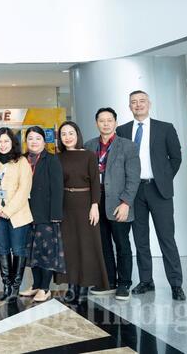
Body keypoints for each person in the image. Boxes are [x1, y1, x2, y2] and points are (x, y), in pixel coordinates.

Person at [117, 90, 185, 301]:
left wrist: (163, 179)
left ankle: (175, 284)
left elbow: (176, 158)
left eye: (142, 101)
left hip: (159, 190)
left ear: (149, 103)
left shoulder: (165, 128)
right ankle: (146, 280)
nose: (138, 105)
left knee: (166, 238)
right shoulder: (123, 130)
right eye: (134, 102)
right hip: (134, 191)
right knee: (140, 239)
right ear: (129, 107)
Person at [85, 107, 140, 301]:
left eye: (109, 120)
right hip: (96, 203)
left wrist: (126, 203)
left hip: (118, 203)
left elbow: (133, 178)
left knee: (122, 244)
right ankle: (108, 281)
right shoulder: (89, 146)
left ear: (115, 123)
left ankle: (124, 283)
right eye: (102, 120)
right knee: (103, 244)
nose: (106, 124)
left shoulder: (128, 146)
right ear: (96, 123)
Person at [54, 121, 108, 304]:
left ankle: (84, 286)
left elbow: (95, 182)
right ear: (60, 138)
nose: (67, 137)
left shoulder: (89, 156)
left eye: (71, 133)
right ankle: (71, 286)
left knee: (86, 245)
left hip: (85, 205)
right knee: (68, 247)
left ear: (77, 134)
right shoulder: (58, 157)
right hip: (65, 205)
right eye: (63, 134)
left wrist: (95, 205)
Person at [0, 127, 33, 301]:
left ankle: (15, 287)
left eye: (6, 141)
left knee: (18, 249)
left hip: (18, 214)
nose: (3, 145)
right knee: (2, 249)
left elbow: (24, 188)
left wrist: (9, 209)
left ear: (13, 142)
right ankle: (6, 285)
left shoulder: (21, 161)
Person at [21, 126, 64, 303]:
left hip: (46, 214)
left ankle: (45, 288)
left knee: (46, 251)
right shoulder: (22, 160)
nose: (34, 142)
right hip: (25, 212)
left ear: (43, 141)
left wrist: (55, 214)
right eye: (30, 138)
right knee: (32, 251)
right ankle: (36, 285)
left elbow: (57, 187)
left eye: (37, 138)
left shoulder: (51, 159)